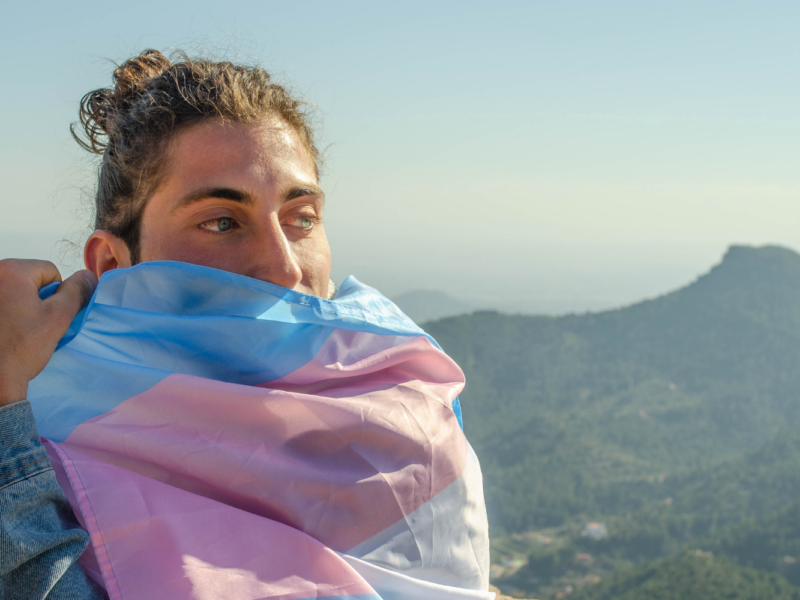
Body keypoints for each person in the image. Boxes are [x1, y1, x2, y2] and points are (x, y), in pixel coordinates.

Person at [0, 50, 488, 599]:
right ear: (113, 265)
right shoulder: (45, 442)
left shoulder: (410, 408)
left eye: (301, 218)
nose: (283, 266)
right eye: (222, 222)